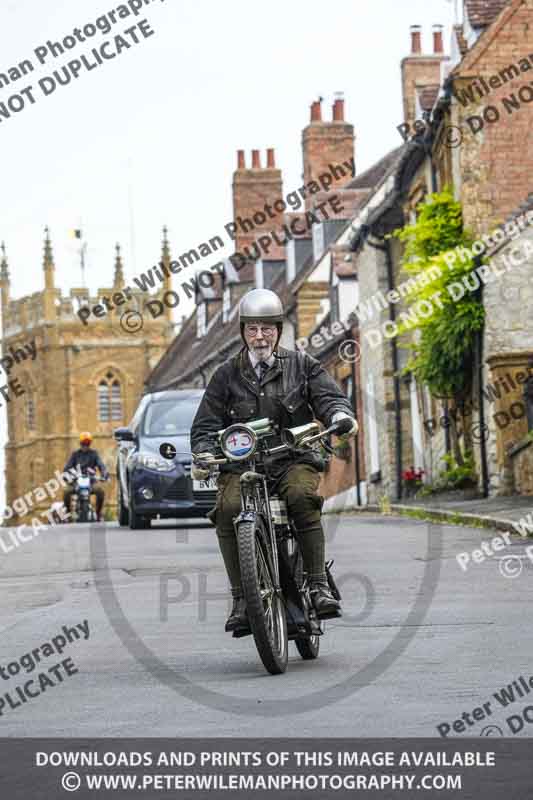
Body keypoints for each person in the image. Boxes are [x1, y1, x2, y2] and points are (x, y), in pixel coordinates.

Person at [191, 288, 358, 632]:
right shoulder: (226, 374)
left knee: (302, 498)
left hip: (293, 459)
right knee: (226, 508)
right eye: (252, 328)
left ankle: (317, 587)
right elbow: (206, 424)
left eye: (267, 328)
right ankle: (241, 599)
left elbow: (329, 399)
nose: (260, 336)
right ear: (243, 332)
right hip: (242, 465)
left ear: (278, 330)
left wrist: (341, 416)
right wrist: (205, 452)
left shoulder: (302, 365)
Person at [63, 432, 109, 521]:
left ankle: (98, 513)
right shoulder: (75, 454)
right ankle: (68, 514)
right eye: (83, 443)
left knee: (100, 492)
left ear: (90, 444)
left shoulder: (94, 454)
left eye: (87, 443)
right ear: (80, 444)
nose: (85, 445)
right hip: (76, 481)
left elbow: (101, 465)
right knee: (66, 492)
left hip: (91, 481)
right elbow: (67, 467)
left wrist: (104, 474)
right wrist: (66, 475)